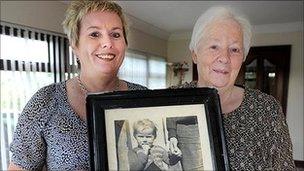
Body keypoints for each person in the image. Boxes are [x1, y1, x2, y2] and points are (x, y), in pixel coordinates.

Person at [8, 1, 147, 170]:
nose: (108, 43)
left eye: (116, 35)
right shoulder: (45, 101)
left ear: (124, 44)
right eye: (95, 34)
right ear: (75, 45)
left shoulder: (143, 97)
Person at [169, 6, 296, 170]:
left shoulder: (267, 109)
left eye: (234, 49)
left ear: (243, 57)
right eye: (214, 46)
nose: (224, 58)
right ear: (194, 54)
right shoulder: (171, 100)